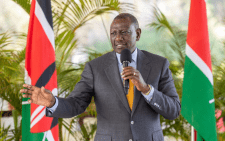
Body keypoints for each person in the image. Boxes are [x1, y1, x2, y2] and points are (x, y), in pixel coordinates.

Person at [20, 13, 181, 141]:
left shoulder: (159, 64)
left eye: (124, 32)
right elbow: (77, 104)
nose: (118, 38)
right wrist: (53, 102)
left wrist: (147, 90)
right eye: (114, 33)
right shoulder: (95, 67)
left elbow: (173, 110)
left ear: (137, 34)